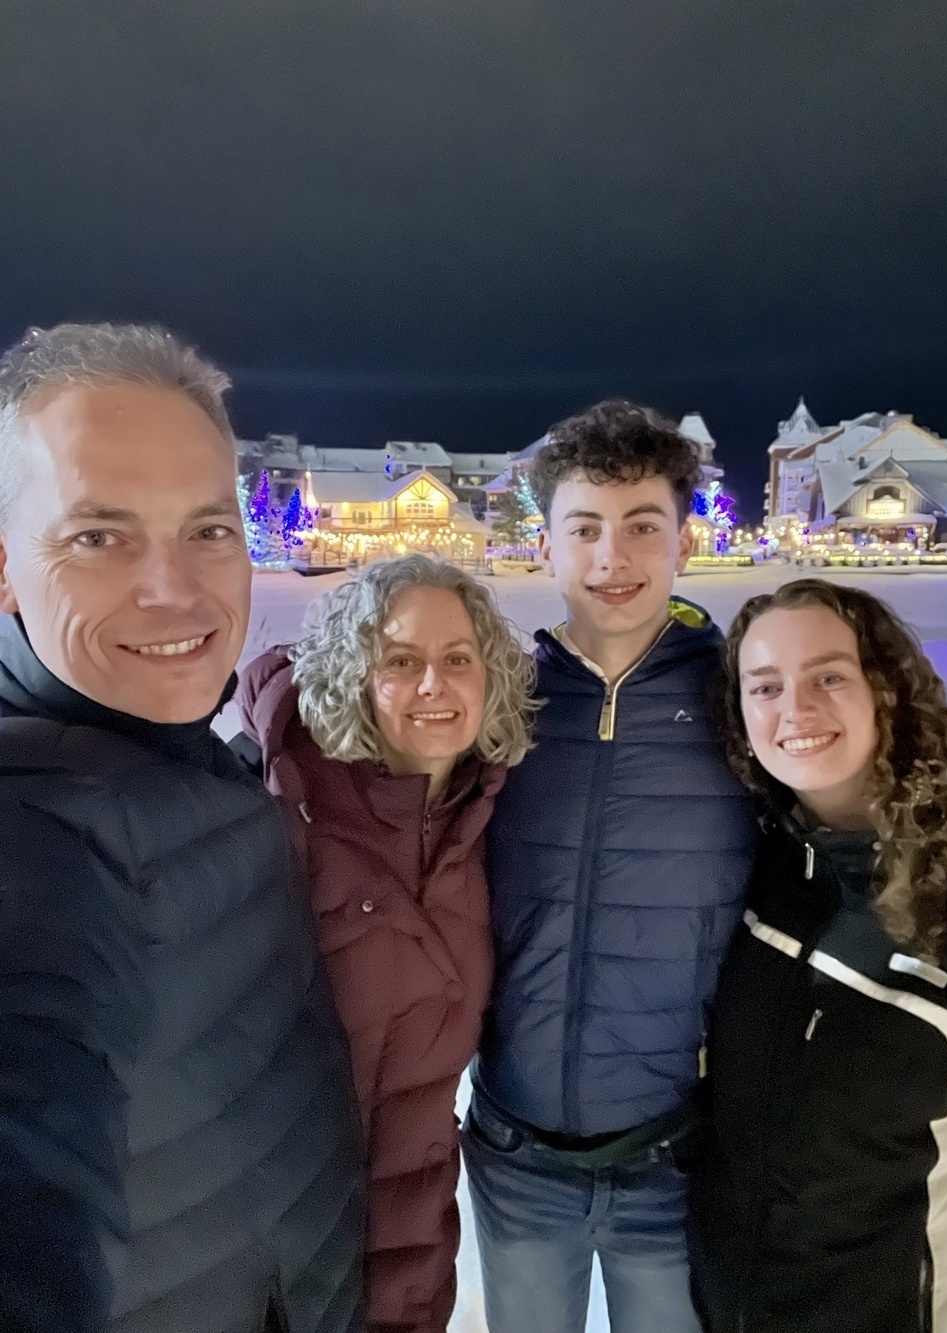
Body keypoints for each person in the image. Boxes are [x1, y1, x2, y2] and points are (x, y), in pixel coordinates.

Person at [0, 323, 365, 1333]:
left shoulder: (193, 751)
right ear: (2, 569)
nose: (177, 589)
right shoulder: (35, 824)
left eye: (208, 530)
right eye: (98, 535)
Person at [464, 399, 757, 1333]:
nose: (611, 559)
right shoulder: (495, 701)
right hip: (515, 1151)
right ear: (546, 543)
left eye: (642, 527)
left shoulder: (739, 700)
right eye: (583, 528)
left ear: (683, 540)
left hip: (676, 1156)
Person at [235, 555, 537, 1333]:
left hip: (412, 1259)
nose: (434, 683)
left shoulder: (486, 820)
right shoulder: (277, 806)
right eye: (400, 660)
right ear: (355, 675)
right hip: (277, 1268)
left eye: (457, 659)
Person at [690, 578, 947, 1333]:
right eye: (765, 686)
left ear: (885, 689)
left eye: (828, 675)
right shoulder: (754, 865)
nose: (794, 708)